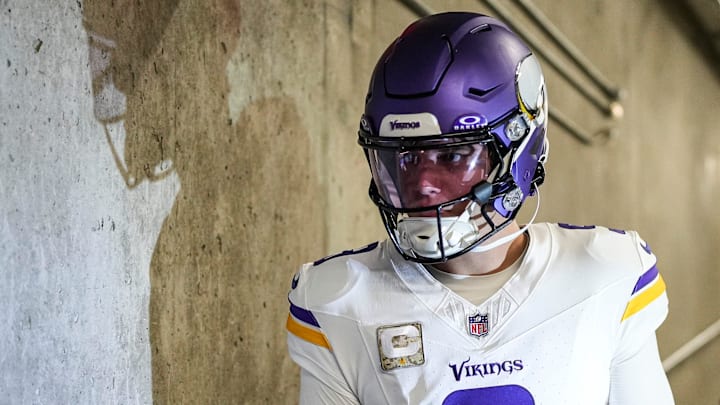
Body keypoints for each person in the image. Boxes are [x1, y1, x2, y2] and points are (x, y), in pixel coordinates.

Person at [286, 11, 674, 404]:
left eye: (452, 157)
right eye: (405, 158)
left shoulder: (607, 275)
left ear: (518, 149)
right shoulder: (337, 300)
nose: (422, 183)